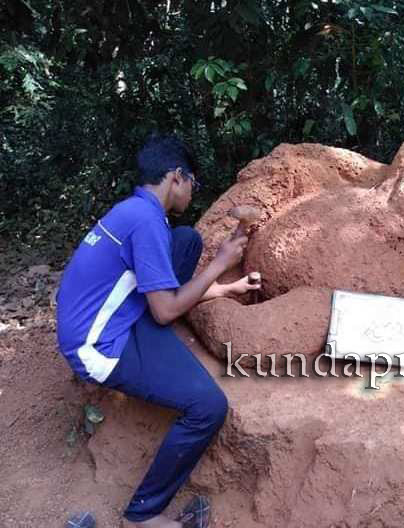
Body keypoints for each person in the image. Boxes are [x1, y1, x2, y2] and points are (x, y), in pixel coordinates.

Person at [56, 135, 259, 528]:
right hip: (98, 345)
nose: (193, 192)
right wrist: (220, 264)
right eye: (193, 183)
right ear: (176, 176)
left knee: (185, 241)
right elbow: (165, 310)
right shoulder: (146, 222)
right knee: (208, 406)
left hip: (116, 319)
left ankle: (156, 344)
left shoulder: (137, 211)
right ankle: (143, 513)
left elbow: (161, 292)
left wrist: (226, 288)